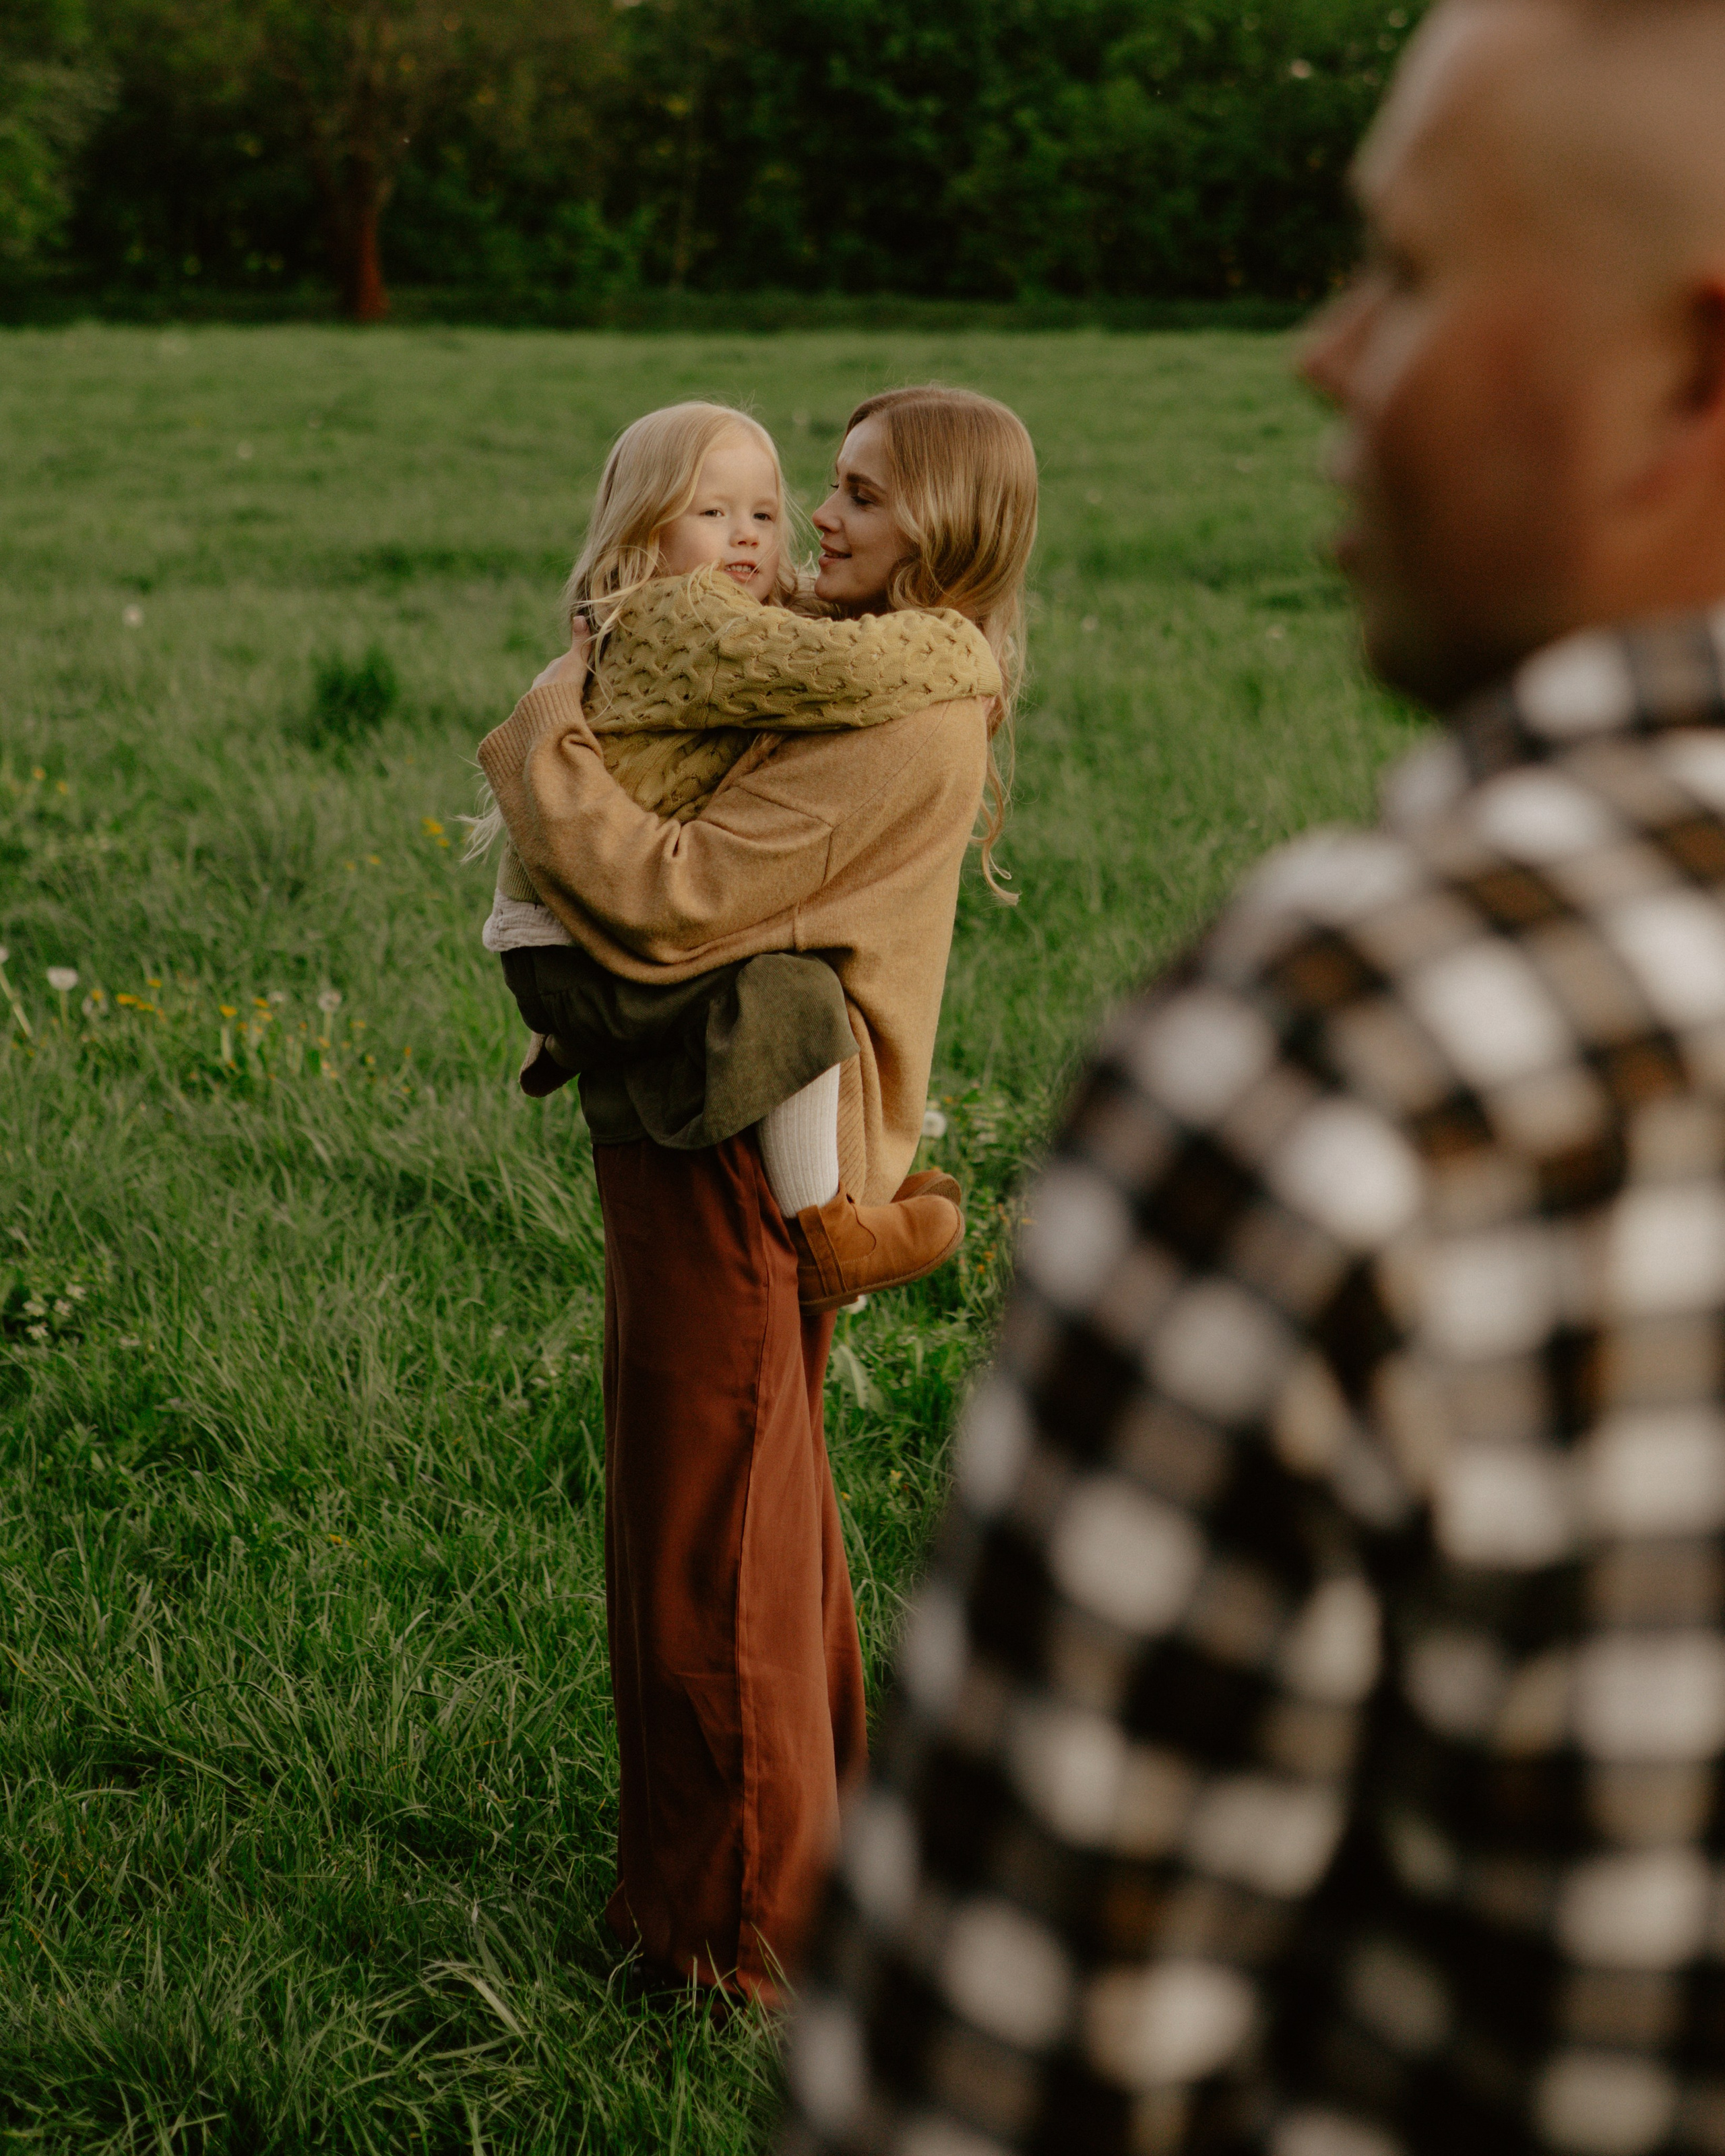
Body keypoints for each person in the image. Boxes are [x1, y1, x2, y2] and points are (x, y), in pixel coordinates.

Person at [777, 3, 1725, 2151]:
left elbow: (977, 2087)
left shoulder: (1363, 1053)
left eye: (1405, 273)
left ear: (1690, 369)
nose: (1322, 352)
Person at [477, 386, 1039, 2006]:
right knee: (750, 1518)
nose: (818, 528)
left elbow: (674, 903)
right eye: (822, 493)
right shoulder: (845, 666)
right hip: (724, 1115)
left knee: (708, 1535)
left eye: (857, 498)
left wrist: (544, 739)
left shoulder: (902, 714)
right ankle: (762, 1876)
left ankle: (733, 1941)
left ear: (939, 525)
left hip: (733, 1135)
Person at [473, 398, 997, 1308]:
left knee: (785, 992)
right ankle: (827, 1235)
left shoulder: (720, 613)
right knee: (791, 997)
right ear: (646, 528)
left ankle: (833, 1215)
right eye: (712, 514)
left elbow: (792, 631)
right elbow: (828, 668)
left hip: (568, 931)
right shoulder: (687, 614)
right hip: (569, 939)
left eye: (764, 512)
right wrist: (965, 649)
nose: (755, 536)